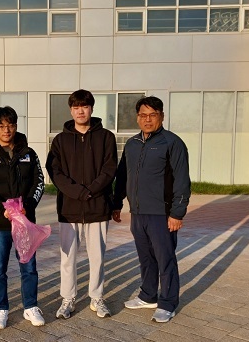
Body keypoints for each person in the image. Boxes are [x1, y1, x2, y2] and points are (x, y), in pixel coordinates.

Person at [112, 96, 191, 323]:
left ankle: (168, 303)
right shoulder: (132, 144)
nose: (147, 120)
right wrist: (117, 203)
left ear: (161, 116)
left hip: (161, 213)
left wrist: (177, 213)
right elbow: (123, 175)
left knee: (165, 259)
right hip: (138, 212)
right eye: (143, 115)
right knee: (146, 257)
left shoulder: (172, 143)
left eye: (152, 115)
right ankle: (148, 295)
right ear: (137, 118)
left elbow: (182, 181)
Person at [46, 89, 117, 319]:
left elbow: (109, 169)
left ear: (91, 108)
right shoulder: (60, 140)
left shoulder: (106, 137)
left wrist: (91, 191)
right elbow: (55, 172)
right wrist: (78, 192)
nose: (80, 111)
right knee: (68, 258)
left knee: (97, 257)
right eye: (76, 107)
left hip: (98, 207)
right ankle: (68, 298)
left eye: (84, 106)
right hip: (69, 209)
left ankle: (97, 297)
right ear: (70, 110)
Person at [0, 106, 46, 329]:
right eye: (1, 126)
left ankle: (30, 306)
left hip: (25, 222)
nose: (6, 130)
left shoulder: (29, 153)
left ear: (16, 126)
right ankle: (1, 309)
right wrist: (2, 209)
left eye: (11, 125)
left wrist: (28, 205)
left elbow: (39, 181)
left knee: (29, 266)